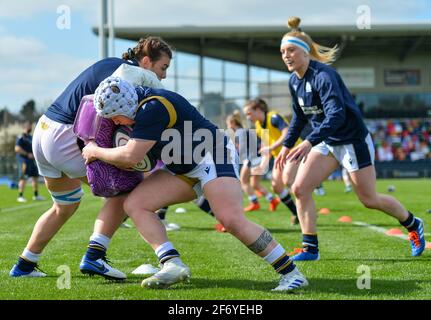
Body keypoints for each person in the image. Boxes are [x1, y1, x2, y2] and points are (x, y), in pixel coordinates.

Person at [81, 76, 308, 291]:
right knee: (135, 204)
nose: (115, 122)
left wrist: (95, 151)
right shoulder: (139, 104)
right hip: (184, 166)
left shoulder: (152, 107)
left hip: (214, 153)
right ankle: (172, 263)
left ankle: (291, 273)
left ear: (127, 104)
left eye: (116, 116)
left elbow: (130, 156)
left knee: (230, 219)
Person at [9, 37, 172, 279]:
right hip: (65, 135)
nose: (164, 76)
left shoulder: (111, 63)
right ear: (146, 61)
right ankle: (94, 257)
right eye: (163, 68)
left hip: (43, 132)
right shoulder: (130, 73)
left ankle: (24, 265)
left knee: (64, 206)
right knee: (128, 192)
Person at [275, 17, 425, 261]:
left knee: (368, 199)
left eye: (291, 50)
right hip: (326, 141)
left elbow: (337, 114)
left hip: (351, 140)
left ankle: (412, 223)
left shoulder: (325, 76)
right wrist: (286, 145)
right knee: (300, 189)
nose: (286, 55)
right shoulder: (294, 81)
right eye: (282, 51)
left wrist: (308, 141)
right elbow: (299, 117)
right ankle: (310, 249)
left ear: (305, 51)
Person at [243, 99, 299, 225]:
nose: (247, 117)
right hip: (280, 156)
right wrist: (263, 165)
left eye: (249, 113)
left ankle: (305, 209)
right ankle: (297, 213)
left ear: (258, 110)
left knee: (288, 180)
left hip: (295, 151)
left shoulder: (273, 117)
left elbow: (287, 132)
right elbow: (265, 148)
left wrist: (272, 147)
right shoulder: (258, 126)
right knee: (276, 186)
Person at [225, 111, 278, 213]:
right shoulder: (242, 131)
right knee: (255, 184)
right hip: (258, 158)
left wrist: (243, 158)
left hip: (252, 159)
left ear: (232, 123)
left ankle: (254, 203)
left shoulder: (240, 132)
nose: (228, 126)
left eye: (228, 123)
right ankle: (272, 199)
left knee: (244, 181)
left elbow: (245, 149)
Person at [14, 121, 45, 203]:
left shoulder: (31, 137)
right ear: (25, 127)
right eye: (29, 126)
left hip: (32, 161)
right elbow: (17, 148)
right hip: (24, 161)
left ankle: (36, 195)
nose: (30, 128)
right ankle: (20, 196)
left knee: (35, 177)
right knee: (23, 177)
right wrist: (27, 154)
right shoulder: (21, 137)